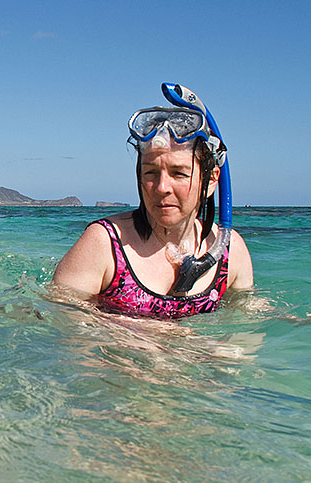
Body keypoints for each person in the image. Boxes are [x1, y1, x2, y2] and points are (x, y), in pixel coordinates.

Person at [53, 83, 253, 318]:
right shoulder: (104, 244)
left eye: (179, 173)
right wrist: (140, 334)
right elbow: (55, 319)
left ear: (211, 181)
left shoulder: (230, 251)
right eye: (150, 172)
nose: (161, 188)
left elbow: (248, 324)